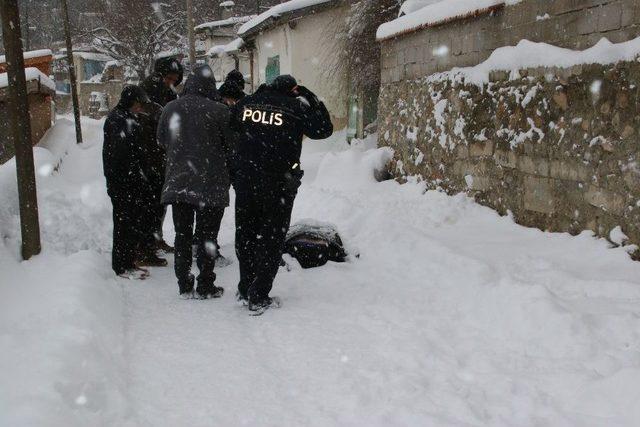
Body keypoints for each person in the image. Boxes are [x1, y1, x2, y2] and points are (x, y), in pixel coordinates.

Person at [230, 75, 333, 313]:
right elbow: (323, 130)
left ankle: (246, 287)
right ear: (292, 89)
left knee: (245, 234)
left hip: (246, 180)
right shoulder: (294, 106)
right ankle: (259, 294)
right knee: (271, 237)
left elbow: (233, 126)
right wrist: (309, 96)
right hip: (278, 183)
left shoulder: (247, 104)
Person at [157, 64, 234, 299]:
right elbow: (232, 145)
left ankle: (183, 282)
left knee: (182, 235)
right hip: (211, 183)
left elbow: (161, 140)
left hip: (180, 182)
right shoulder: (220, 111)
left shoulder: (170, 109)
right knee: (207, 236)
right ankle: (205, 284)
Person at [103, 85, 154, 279]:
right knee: (124, 224)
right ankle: (122, 265)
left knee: (130, 223)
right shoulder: (118, 120)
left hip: (129, 182)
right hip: (123, 183)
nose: (141, 108)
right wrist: (134, 175)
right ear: (132, 102)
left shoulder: (125, 118)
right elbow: (120, 155)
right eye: (139, 104)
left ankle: (128, 261)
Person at [138, 57, 185, 257]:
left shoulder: (162, 92)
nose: (171, 83)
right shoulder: (151, 93)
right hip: (151, 157)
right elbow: (156, 123)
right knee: (150, 203)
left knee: (157, 203)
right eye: (169, 79)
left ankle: (154, 240)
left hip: (158, 156)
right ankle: (146, 244)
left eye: (174, 80)